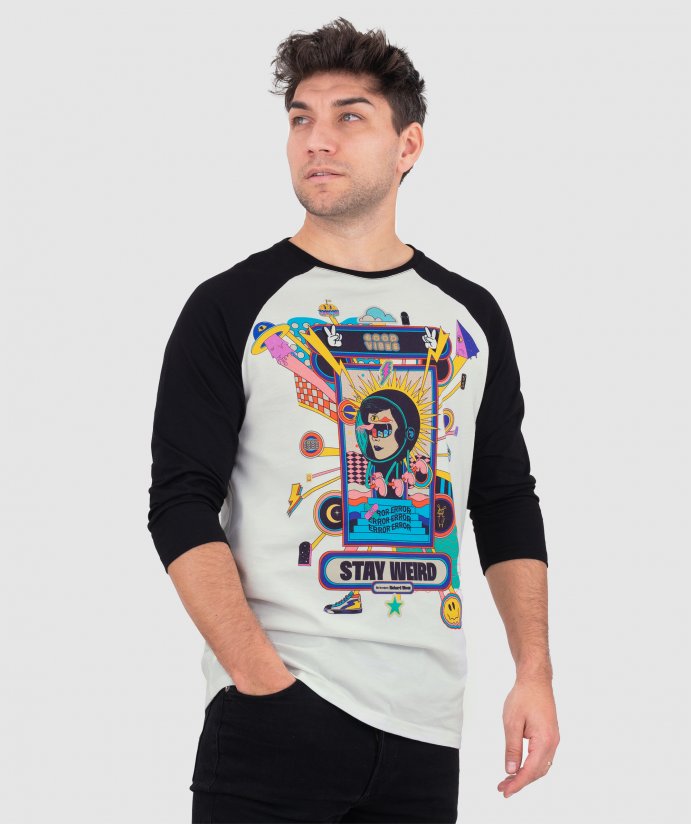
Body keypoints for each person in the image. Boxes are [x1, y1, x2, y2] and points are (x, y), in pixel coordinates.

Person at [147, 16, 560, 824]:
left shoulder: (469, 316)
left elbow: (505, 500)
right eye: (300, 118)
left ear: (408, 146)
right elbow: (179, 503)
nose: (317, 140)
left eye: (349, 116)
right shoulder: (230, 305)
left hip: (427, 727)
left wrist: (534, 673)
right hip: (273, 714)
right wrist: (259, 679)